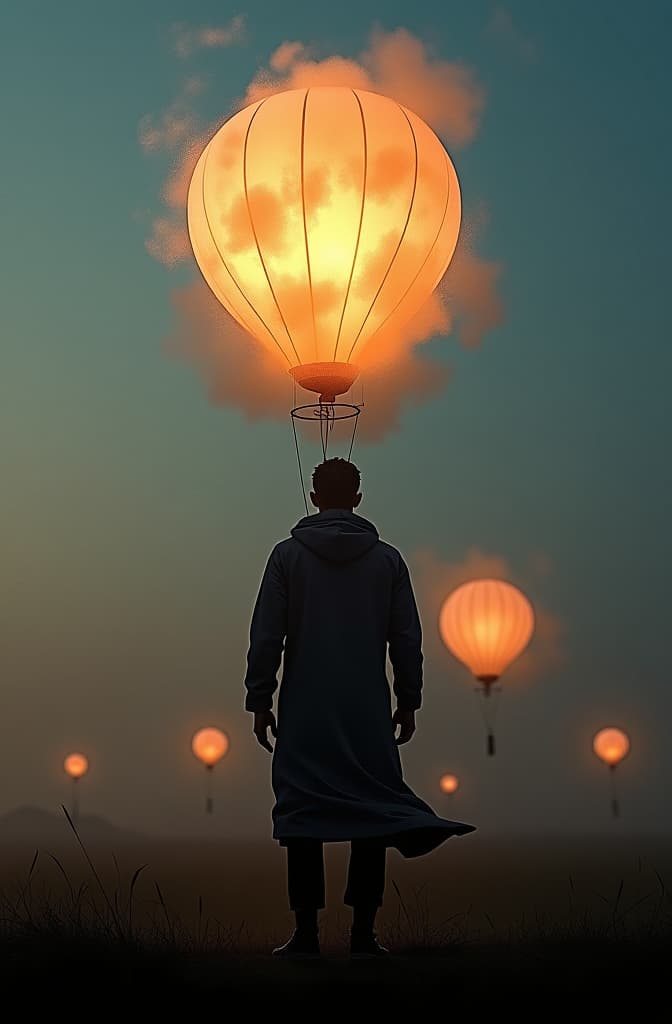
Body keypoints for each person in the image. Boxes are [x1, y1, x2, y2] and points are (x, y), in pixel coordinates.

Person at [244, 458, 475, 958]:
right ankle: (363, 934)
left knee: (302, 812)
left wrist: (259, 698)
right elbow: (406, 638)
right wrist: (408, 699)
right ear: (359, 497)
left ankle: (305, 935)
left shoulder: (286, 558)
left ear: (312, 495)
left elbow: (267, 634)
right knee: (372, 810)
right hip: (367, 707)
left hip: (305, 706)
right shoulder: (387, 561)